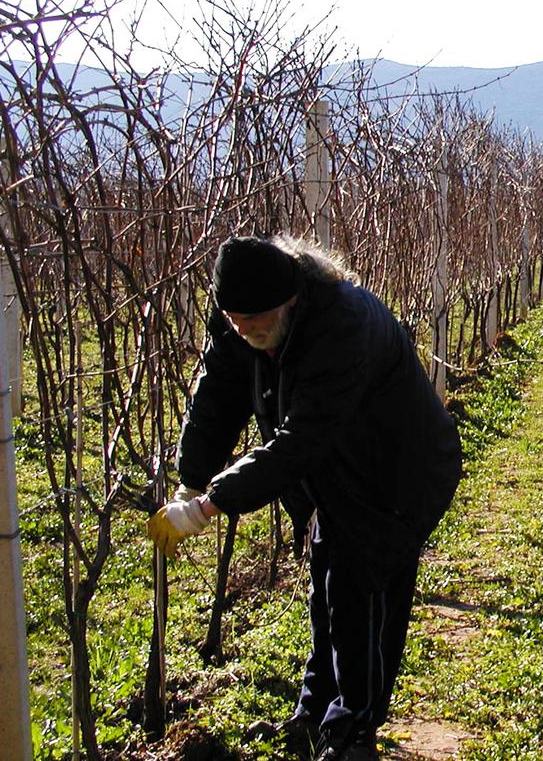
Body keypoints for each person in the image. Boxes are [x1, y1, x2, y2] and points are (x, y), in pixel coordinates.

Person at [147, 234, 463, 760]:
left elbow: (300, 440)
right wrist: (190, 480)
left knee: (360, 591)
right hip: (335, 466)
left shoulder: (343, 325)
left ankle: (352, 733)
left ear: (291, 300)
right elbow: (216, 399)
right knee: (326, 585)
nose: (245, 330)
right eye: (235, 319)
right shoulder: (240, 319)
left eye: (257, 321)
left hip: (399, 469)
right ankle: (314, 715)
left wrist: (209, 505)